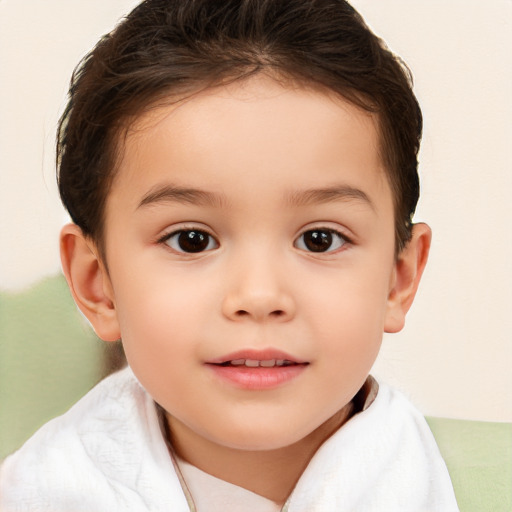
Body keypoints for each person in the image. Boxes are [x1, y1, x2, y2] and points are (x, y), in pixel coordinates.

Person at [0, 0, 459, 510]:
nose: (259, 296)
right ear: (97, 284)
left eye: (319, 239)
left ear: (399, 279)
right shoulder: (35, 492)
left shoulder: (479, 481)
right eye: (191, 239)